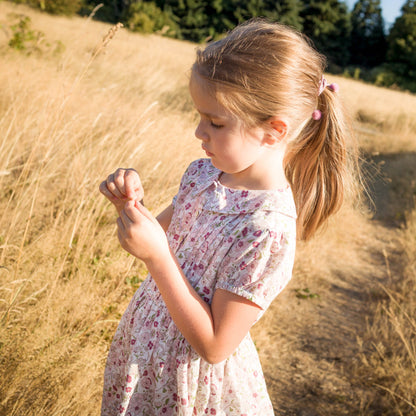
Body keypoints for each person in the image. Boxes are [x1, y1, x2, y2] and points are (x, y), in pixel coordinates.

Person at [99, 18, 358, 416]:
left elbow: (216, 346)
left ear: (273, 131)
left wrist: (156, 258)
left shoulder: (267, 227)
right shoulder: (202, 175)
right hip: (145, 356)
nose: (198, 132)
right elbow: (152, 239)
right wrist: (130, 206)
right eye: (200, 116)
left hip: (190, 386)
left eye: (215, 122)